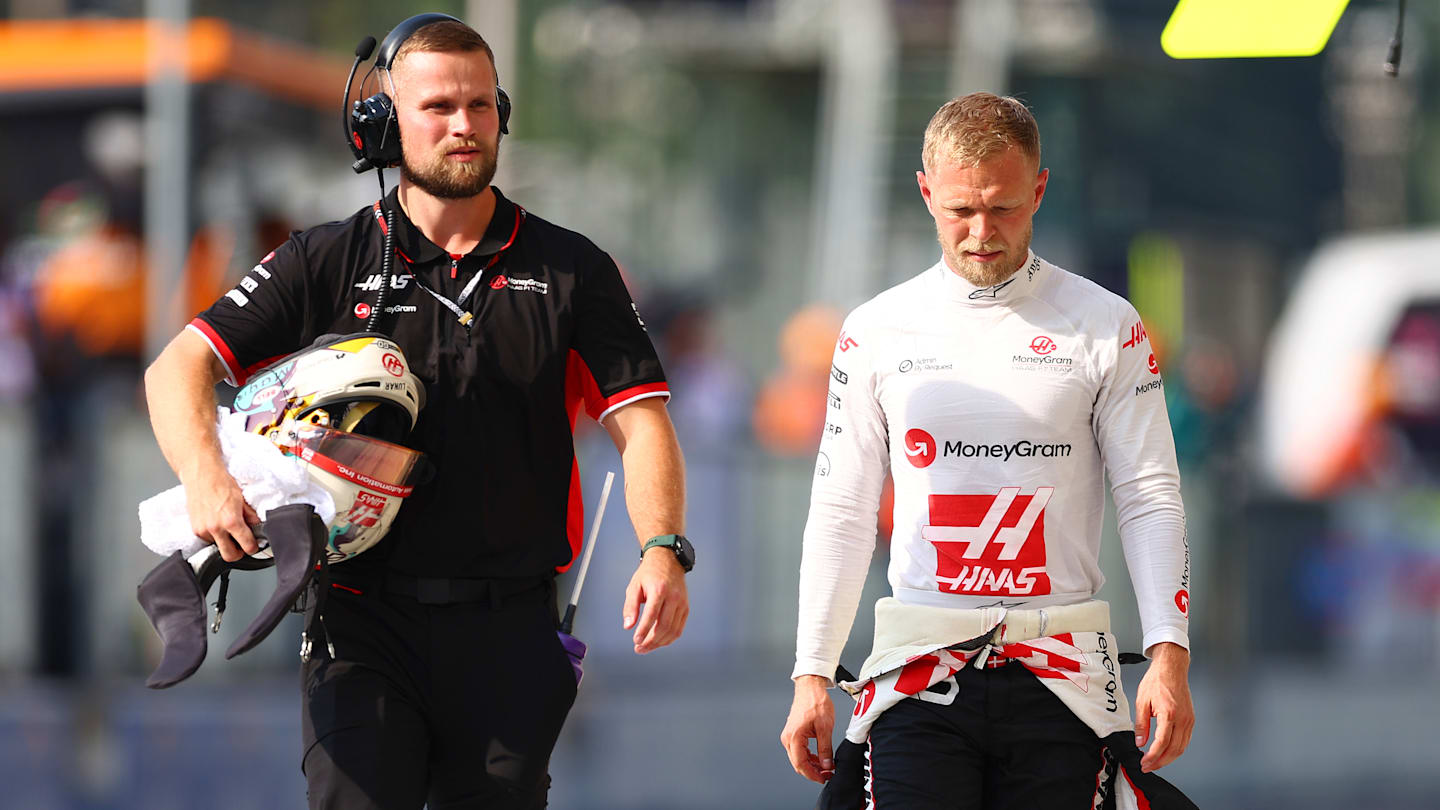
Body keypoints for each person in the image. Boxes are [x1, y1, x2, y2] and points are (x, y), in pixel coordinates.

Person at [143, 14, 694, 809]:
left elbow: (642, 423)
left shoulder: (575, 269)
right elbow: (178, 366)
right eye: (437, 107)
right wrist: (205, 477)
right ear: (384, 124)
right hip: (360, 624)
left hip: (510, 629)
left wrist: (663, 548)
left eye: (479, 105)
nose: (463, 126)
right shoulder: (326, 257)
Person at [779, 92, 1195, 808]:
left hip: (1061, 676)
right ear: (925, 192)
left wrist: (1169, 654)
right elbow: (843, 508)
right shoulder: (876, 328)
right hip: (919, 669)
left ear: (1038, 190)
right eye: (959, 211)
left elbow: (1150, 495)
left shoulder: (1106, 324)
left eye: (1003, 208)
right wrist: (811, 672)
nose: (981, 232)